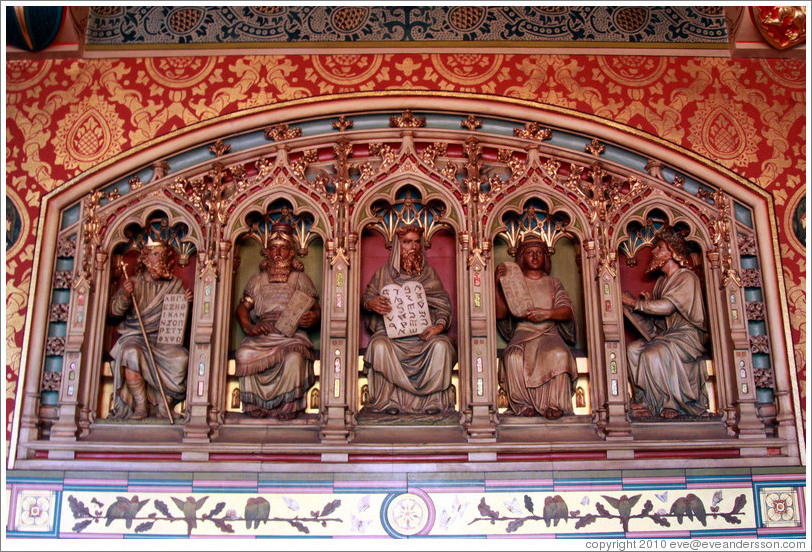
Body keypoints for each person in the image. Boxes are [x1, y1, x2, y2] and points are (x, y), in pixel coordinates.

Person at [362, 224, 457, 415]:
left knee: (442, 347)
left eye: (416, 242)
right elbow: (367, 298)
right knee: (378, 346)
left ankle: (433, 402)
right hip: (391, 335)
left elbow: (442, 305)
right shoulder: (383, 274)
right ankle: (387, 402)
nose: (412, 247)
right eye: (407, 242)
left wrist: (438, 327)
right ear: (398, 246)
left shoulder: (428, 274)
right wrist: (371, 304)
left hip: (423, 336)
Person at [235, 223, 320, 420]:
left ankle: (289, 406)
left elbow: (315, 308)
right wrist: (249, 326)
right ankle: (255, 403)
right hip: (264, 333)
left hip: (292, 334)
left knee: (294, 360)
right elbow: (243, 307)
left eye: (283, 248)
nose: (278, 253)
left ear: (291, 252)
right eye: (273, 248)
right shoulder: (258, 280)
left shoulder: (300, 278)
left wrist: (313, 318)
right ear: (267, 252)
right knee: (244, 353)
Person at [621, 227, 709, 419]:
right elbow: (661, 317)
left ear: (672, 253)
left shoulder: (686, 277)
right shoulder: (661, 282)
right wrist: (650, 301)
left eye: (659, 247)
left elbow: (668, 307)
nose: (653, 252)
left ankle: (669, 402)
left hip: (686, 336)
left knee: (654, 353)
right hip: (667, 335)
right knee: (633, 349)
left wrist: (636, 303)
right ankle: (645, 400)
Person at [495, 235, 578, 419]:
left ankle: (554, 404)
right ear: (521, 257)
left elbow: (566, 311)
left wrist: (547, 313)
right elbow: (501, 315)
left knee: (559, 354)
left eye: (539, 253)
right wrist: (497, 286)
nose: (535, 257)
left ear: (545, 257)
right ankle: (522, 404)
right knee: (513, 357)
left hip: (549, 333)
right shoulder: (515, 282)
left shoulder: (553, 283)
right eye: (530, 253)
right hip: (523, 333)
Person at [109, 239, 191, 420]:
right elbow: (114, 311)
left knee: (181, 358)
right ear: (145, 259)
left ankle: (164, 405)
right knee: (131, 353)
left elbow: (175, 320)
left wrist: (184, 304)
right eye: (155, 254)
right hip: (135, 336)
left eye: (163, 255)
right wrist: (125, 296)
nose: (160, 259)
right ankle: (140, 405)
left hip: (162, 339)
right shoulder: (133, 283)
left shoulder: (174, 284)